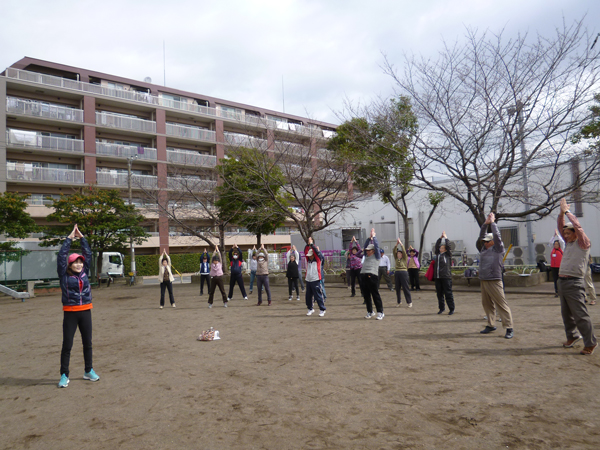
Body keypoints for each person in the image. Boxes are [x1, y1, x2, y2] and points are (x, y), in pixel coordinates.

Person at [57, 224, 99, 388]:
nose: (79, 264)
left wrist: (82, 238)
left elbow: (88, 254)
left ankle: (88, 370)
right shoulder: (63, 275)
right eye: (76, 262)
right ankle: (64, 375)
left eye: (80, 262)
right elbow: (62, 256)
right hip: (71, 312)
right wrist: (69, 239)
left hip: (86, 311)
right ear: (69, 265)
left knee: (87, 343)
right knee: (67, 344)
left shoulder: (84, 272)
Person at [557, 198, 597, 355]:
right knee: (566, 314)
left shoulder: (583, 243)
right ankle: (572, 336)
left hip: (574, 282)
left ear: (575, 233)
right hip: (563, 282)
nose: (565, 235)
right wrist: (561, 213)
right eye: (565, 233)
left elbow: (579, 228)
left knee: (580, 315)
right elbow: (560, 227)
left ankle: (591, 342)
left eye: (569, 233)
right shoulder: (569, 244)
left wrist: (567, 212)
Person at [476, 213, 514, 338]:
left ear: (492, 242)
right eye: (485, 241)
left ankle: (509, 327)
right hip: (484, 280)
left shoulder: (498, 249)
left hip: (494, 279)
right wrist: (485, 224)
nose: (485, 243)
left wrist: (492, 223)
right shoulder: (483, 249)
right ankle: (491, 324)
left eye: (488, 241)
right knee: (487, 304)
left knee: (501, 304)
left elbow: (498, 236)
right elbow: (481, 236)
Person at [361, 228, 384, 319]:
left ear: (373, 251)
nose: (367, 251)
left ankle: (380, 312)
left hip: (372, 276)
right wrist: (369, 238)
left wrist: (374, 237)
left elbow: (377, 247)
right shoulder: (366, 255)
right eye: (367, 250)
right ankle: (370, 311)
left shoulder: (377, 256)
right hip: (364, 275)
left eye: (369, 250)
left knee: (375, 294)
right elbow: (365, 246)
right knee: (366, 295)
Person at [433, 231, 455, 315]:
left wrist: (446, 238)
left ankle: (451, 309)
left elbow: (449, 246)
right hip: (438, 277)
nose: (440, 249)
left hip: (446, 277)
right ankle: (441, 308)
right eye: (440, 248)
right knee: (439, 294)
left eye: (442, 248)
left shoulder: (448, 255)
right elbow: (436, 246)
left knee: (448, 293)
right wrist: (440, 238)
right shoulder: (438, 254)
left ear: (445, 249)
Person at [304, 237, 326, 317]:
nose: (309, 257)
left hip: (316, 279)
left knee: (318, 295)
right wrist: (308, 244)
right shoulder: (308, 260)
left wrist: (312, 244)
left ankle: (322, 309)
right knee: (308, 296)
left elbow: (317, 252)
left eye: (311, 255)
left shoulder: (318, 260)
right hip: (308, 280)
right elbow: (305, 251)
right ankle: (310, 308)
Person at [393, 239, 412, 307]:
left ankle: (409, 302)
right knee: (397, 288)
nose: (399, 254)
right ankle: (399, 301)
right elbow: (394, 251)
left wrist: (401, 244)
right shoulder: (396, 258)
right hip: (397, 272)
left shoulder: (404, 258)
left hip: (403, 272)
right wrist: (396, 244)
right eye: (398, 253)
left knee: (405, 287)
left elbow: (404, 251)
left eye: (400, 253)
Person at [549, 230, 565, 297]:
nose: (555, 245)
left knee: (561, 280)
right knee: (555, 280)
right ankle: (557, 292)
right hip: (553, 267)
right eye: (555, 244)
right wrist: (554, 235)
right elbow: (550, 242)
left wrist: (558, 235)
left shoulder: (561, 249)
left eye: (557, 244)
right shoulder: (553, 250)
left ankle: (562, 292)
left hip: (560, 267)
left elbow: (562, 242)